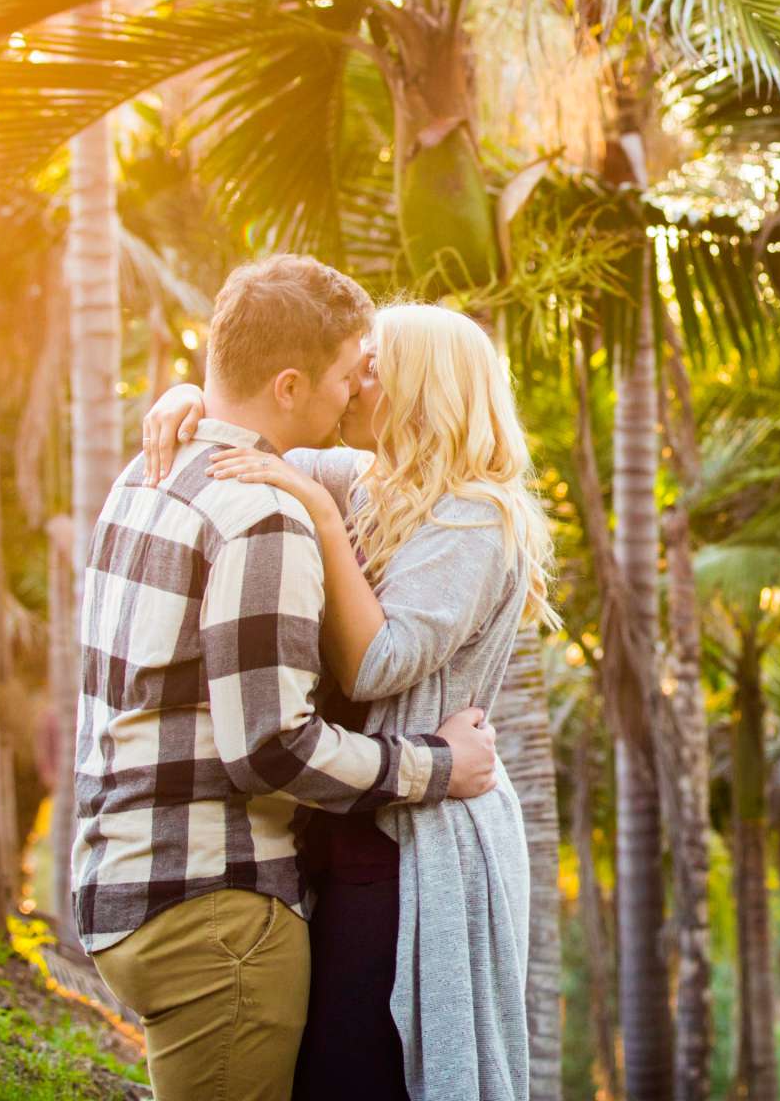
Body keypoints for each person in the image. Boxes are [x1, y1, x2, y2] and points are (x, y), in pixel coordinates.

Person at [72, 256, 501, 1101]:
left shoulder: (146, 471)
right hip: (213, 910)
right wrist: (439, 767)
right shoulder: (265, 513)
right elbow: (271, 749)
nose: (356, 392)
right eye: (351, 373)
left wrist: (192, 404)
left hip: (120, 881)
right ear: (294, 383)